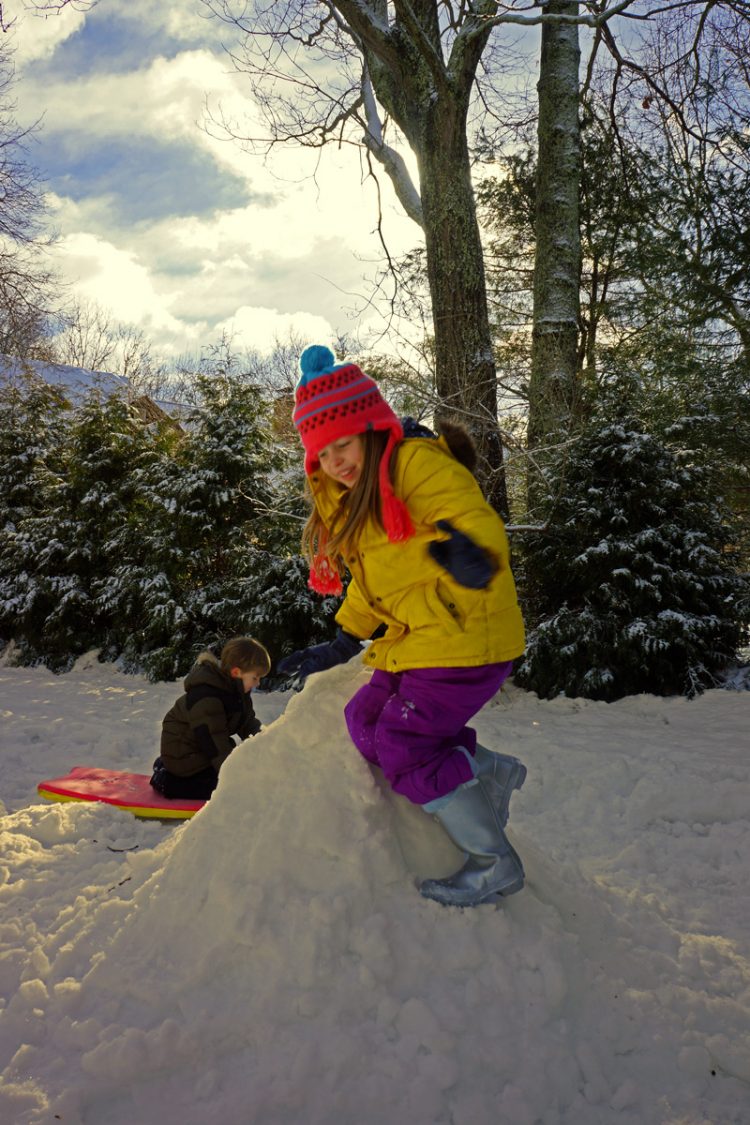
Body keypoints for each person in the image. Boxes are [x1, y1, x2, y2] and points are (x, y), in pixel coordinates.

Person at [277, 344, 528, 908]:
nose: (338, 461)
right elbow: (373, 584)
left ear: (370, 427)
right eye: (324, 452)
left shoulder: (413, 465)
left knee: (403, 742)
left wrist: (473, 554)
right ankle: (488, 773)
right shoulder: (355, 498)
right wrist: (344, 636)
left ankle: (493, 862)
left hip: (465, 633)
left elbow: (472, 516)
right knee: (363, 719)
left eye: (345, 443)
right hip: (419, 639)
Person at [151, 636, 271, 801]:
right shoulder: (207, 697)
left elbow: (247, 723)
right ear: (237, 672)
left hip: (200, 751)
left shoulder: (237, 692)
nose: (257, 684)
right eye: (255, 678)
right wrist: (233, 778)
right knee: (221, 789)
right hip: (185, 756)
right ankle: (166, 780)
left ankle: (166, 766)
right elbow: (214, 744)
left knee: (233, 761)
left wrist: (270, 743)